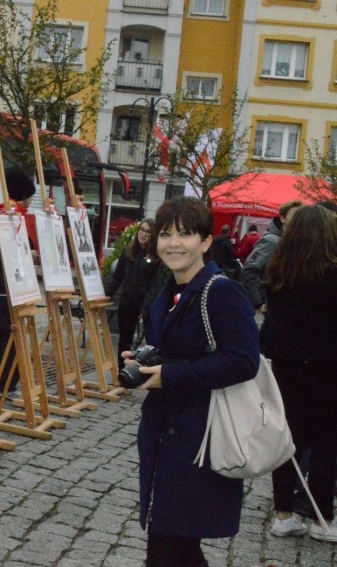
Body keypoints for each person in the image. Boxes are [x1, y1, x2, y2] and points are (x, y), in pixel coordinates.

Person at [125, 196, 260, 566]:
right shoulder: (170, 290)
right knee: (176, 548)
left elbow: (244, 361)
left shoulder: (221, 292)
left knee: (169, 548)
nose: (173, 243)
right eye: (166, 233)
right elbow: (180, 346)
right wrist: (146, 359)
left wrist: (170, 374)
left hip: (200, 439)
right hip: (166, 437)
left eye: (185, 234)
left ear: (205, 241)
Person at [260, 204, 337, 542]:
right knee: (326, 444)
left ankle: (283, 514)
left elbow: (273, 329)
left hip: (288, 368)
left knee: (288, 440)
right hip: (329, 369)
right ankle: (323, 520)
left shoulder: (278, 274)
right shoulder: (333, 275)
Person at [0, 168, 37, 396]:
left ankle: (2, 382)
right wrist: (26, 253)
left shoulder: (15, 214)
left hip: (12, 284)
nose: (32, 199)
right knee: (8, 334)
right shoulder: (7, 215)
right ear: (23, 194)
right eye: (30, 195)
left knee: (6, 333)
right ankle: (2, 383)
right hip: (4, 286)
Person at [104, 219, 159, 369]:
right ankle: (123, 371)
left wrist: (145, 308)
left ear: (153, 235)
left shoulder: (156, 257)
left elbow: (155, 285)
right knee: (125, 340)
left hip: (145, 304)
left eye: (148, 231)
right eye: (142, 230)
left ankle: (147, 369)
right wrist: (106, 295)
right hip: (128, 301)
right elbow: (117, 277)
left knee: (151, 339)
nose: (143, 234)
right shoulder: (129, 252)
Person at [241, 200, 303, 311]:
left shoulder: (290, 241)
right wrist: (258, 303)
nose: (297, 220)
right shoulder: (272, 241)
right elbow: (248, 270)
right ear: (282, 218)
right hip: (268, 304)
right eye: (294, 215)